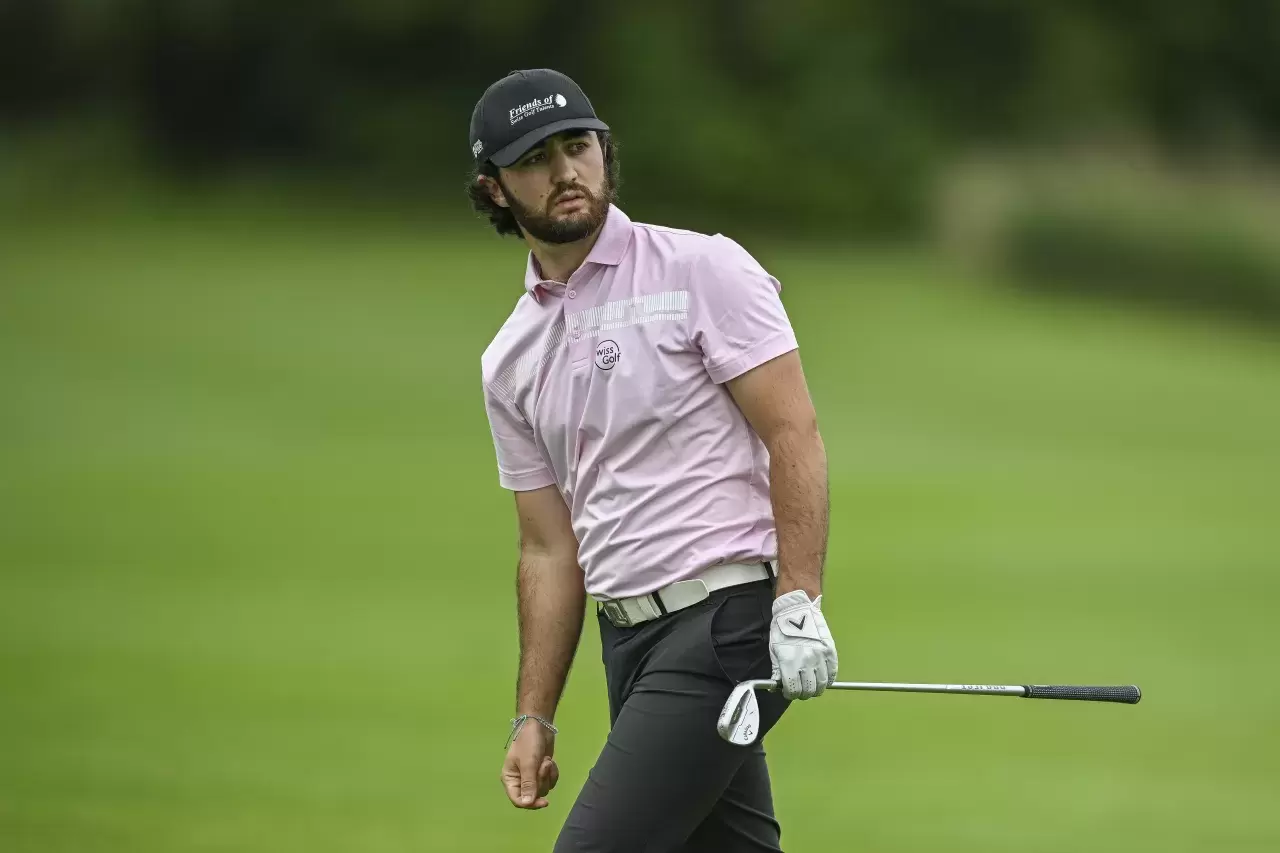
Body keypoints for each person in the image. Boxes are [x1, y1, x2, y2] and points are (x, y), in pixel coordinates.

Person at [468, 68, 838, 853]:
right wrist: (534, 713)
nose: (566, 171)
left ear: (604, 153)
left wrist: (799, 599)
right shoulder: (508, 358)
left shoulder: (701, 270)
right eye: (536, 158)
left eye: (579, 147)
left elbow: (793, 434)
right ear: (495, 188)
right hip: (627, 642)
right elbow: (547, 544)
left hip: (725, 627)